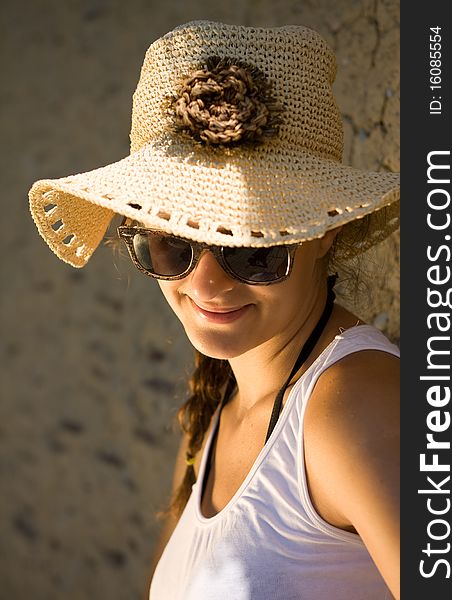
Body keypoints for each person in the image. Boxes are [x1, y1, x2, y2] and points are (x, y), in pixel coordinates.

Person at [29, 21, 400, 600]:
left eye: (250, 247)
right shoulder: (210, 415)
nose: (205, 281)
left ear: (323, 234)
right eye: (171, 243)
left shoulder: (352, 406)